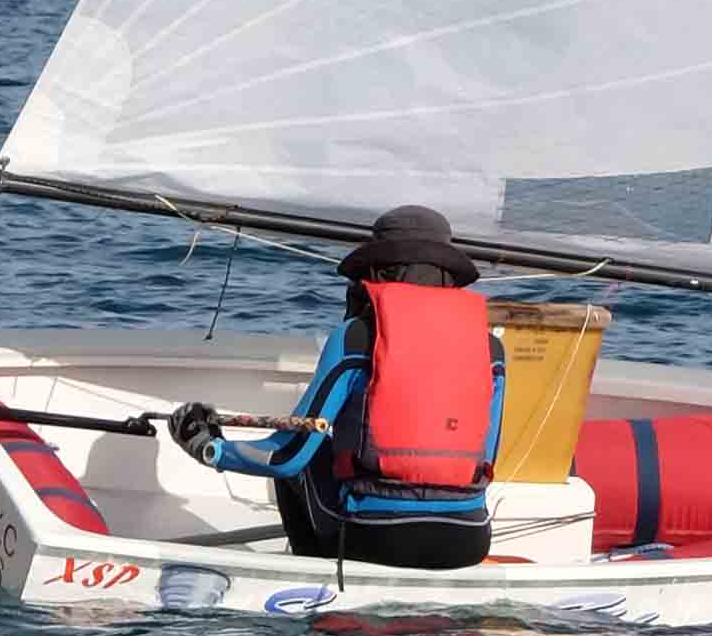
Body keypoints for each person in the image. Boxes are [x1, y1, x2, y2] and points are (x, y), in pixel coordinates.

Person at [181, 204, 502, 574]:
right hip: (467, 542)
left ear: (377, 272)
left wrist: (209, 448)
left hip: (376, 542)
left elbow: (288, 456)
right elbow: (488, 455)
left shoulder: (356, 336)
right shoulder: (491, 348)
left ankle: (312, 578)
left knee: (312, 450)